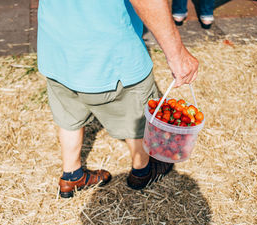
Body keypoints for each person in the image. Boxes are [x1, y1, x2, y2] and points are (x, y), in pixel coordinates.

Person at [37, 0, 199, 198]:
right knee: (137, 120)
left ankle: (71, 176)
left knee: (69, 118)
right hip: (110, 56)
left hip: (57, 50)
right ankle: (142, 171)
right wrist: (177, 54)